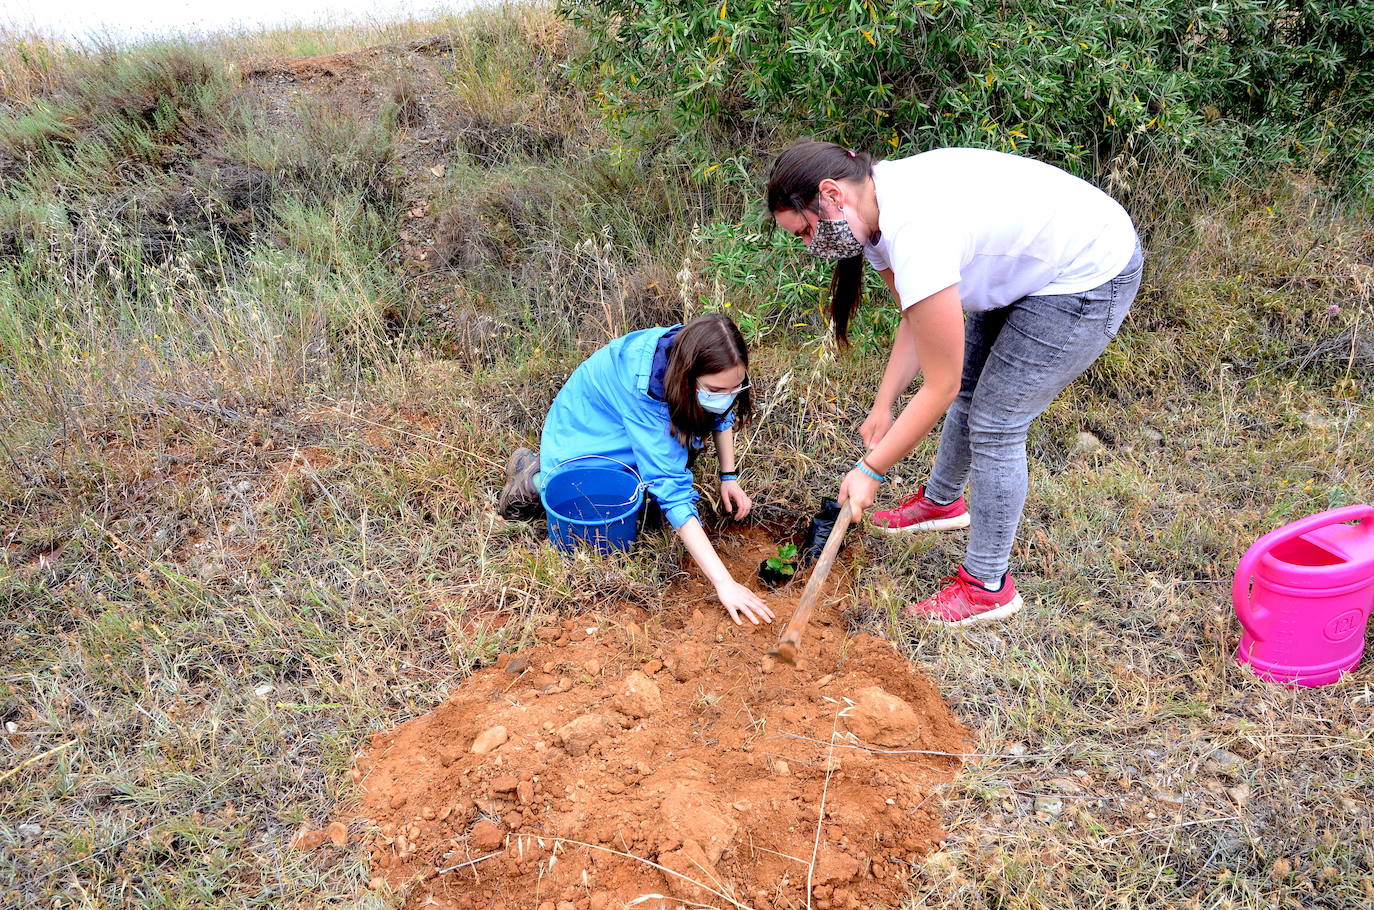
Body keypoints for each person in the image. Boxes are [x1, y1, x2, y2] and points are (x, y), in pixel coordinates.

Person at [768, 141, 1143, 625]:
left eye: (806, 230)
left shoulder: (917, 230)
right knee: (972, 387)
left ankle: (988, 586)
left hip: (1085, 269)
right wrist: (884, 404)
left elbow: (938, 385)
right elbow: (916, 317)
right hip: (1026, 264)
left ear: (832, 195)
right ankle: (941, 504)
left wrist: (872, 470)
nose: (809, 245)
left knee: (996, 423)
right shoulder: (875, 212)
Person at [499, 313, 774, 626]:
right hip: (584, 439)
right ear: (688, 375)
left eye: (734, 388)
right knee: (602, 524)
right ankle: (534, 478)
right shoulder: (647, 388)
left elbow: (720, 412)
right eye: (715, 389)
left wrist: (729, 477)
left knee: (647, 502)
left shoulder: (694, 353)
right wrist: (724, 583)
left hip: (621, 428)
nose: (725, 397)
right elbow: (671, 490)